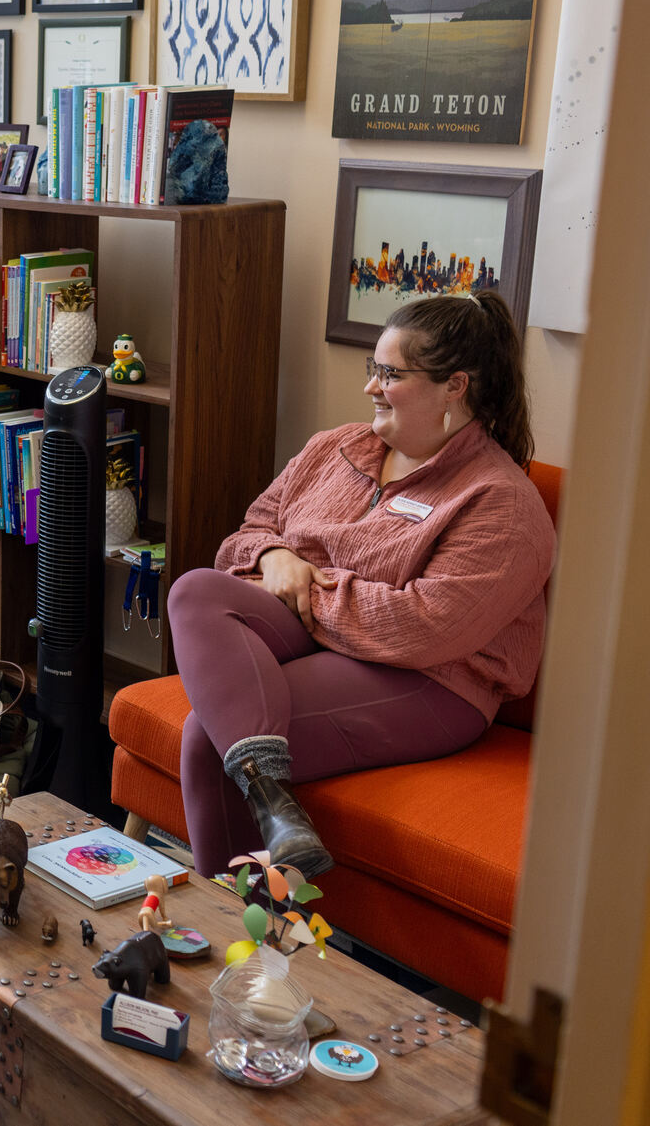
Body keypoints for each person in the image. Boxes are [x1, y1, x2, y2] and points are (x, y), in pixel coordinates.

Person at [168, 291, 554, 881]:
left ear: (455, 386)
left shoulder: (501, 503)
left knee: (205, 737)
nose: (372, 387)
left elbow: (425, 628)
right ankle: (273, 807)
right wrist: (273, 555)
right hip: (319, 638)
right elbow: (247, 534)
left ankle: (253, 935)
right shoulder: (337, 447)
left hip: (431, 682)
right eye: (373, 369)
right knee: (195, 590)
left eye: (390, 374)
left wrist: (307, 583)